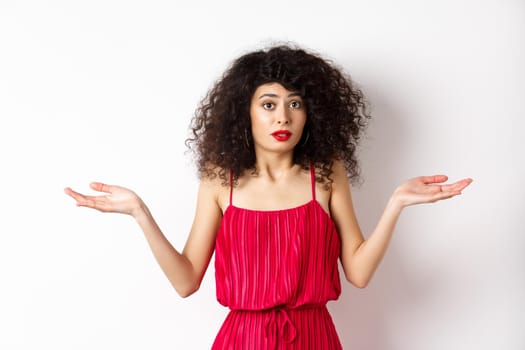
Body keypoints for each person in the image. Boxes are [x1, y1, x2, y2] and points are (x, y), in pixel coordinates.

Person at [64, 44, 473, 349]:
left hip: (314, 338)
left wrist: (396, 203)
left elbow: (359, 273)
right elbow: (187, 280)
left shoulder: (326, 175)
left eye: (295, 104)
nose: (283, 116)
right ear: (246, 113)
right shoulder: (218, 181)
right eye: (269, 103)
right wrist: (140, 213)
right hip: (243, 340)